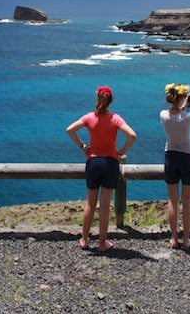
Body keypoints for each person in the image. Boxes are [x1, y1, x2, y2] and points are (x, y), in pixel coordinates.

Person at [66, 85, 137, 252]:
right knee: (105, 205)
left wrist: (83, 146)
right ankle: (102, 243)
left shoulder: (90, 117)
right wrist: (122, 151)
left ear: (97, 99)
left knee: (90, 203)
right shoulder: (115, 118)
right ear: (110, 101)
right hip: (110, 162)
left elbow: (70, 130)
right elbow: (132, 135)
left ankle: (84, 239)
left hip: (93, 162)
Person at [161, 83, 190, 249]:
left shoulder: (163, 114)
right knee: (186, 200)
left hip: (170, 155)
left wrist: (183, 104)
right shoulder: (189, 117)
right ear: (183, 99)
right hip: (188, 157)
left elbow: (175, 113)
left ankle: (173, 238)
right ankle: (186, 239)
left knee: (173, 199)